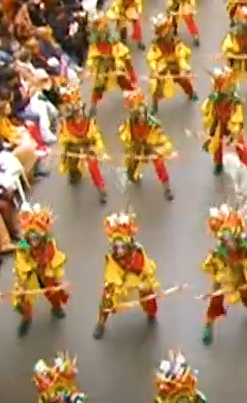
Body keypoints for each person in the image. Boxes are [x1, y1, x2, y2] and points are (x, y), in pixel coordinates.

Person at [199, 202, 247, 345]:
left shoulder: (246, 245)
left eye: (231, 240)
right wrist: (218, 274)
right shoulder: (220, 250)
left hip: (243, 275)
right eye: (226, 240)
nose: (229, 243)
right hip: (224, 275)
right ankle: (208, 325)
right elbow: (212, 263)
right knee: (215, 300)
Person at [93, 211, 161, 339]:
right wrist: (118, 288)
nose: (118, 251)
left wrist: (150, 285)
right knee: (107, 297)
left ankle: (151, 313)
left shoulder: (138, 252)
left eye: (122, 247)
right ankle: (101, 322)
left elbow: (147, 270)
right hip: (120, 280)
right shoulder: (112, 257)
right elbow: (111, 274)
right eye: (115, 247)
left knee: (149, 294)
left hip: (138, 278)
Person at [12, 203, 69, 337]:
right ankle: (26, 319)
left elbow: (56, 260)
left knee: (53, 293)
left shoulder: (49, 246)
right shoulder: (23, 246)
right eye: (31, 238)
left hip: (45, 274)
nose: (33, 240)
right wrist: (24, 277)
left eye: (36, 237)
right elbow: (20, 262)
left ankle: (56, 308)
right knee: (25, 300)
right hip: (30, 276)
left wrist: (58, 277)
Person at [199, 66, 247, 183]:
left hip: (231, 124)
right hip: (218, 122)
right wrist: (211, 127)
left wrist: (234, 132)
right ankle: (218, 163)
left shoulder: (235, 102)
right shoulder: (214, 98)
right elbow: (208, 111)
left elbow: (237, 118)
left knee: (240, 145)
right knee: (216, 143)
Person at [118, 89, 177, 201]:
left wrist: (156, 150)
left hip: (151, 146)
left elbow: (160, 137)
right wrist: (131, 147)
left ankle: (167, 188)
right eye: (139, 115)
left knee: (159, 164)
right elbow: (125, 135)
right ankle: (133, 174)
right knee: (132, 170)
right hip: (136, 147)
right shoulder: (129, 124)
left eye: (143, 114)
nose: (142, 117)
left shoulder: (153, 125)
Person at [56, 86, 108, 204]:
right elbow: (64, 139)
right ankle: (74, 173)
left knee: (93, 165)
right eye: (76, 112)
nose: (79, 114)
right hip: (72, 149)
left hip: (87, 148)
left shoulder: (89, 123)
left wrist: (99, 150)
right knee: (72, 168)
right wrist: (70, 147)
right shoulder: (66, 125)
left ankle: (101, 188)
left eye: (80, 111)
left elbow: (96, 137)